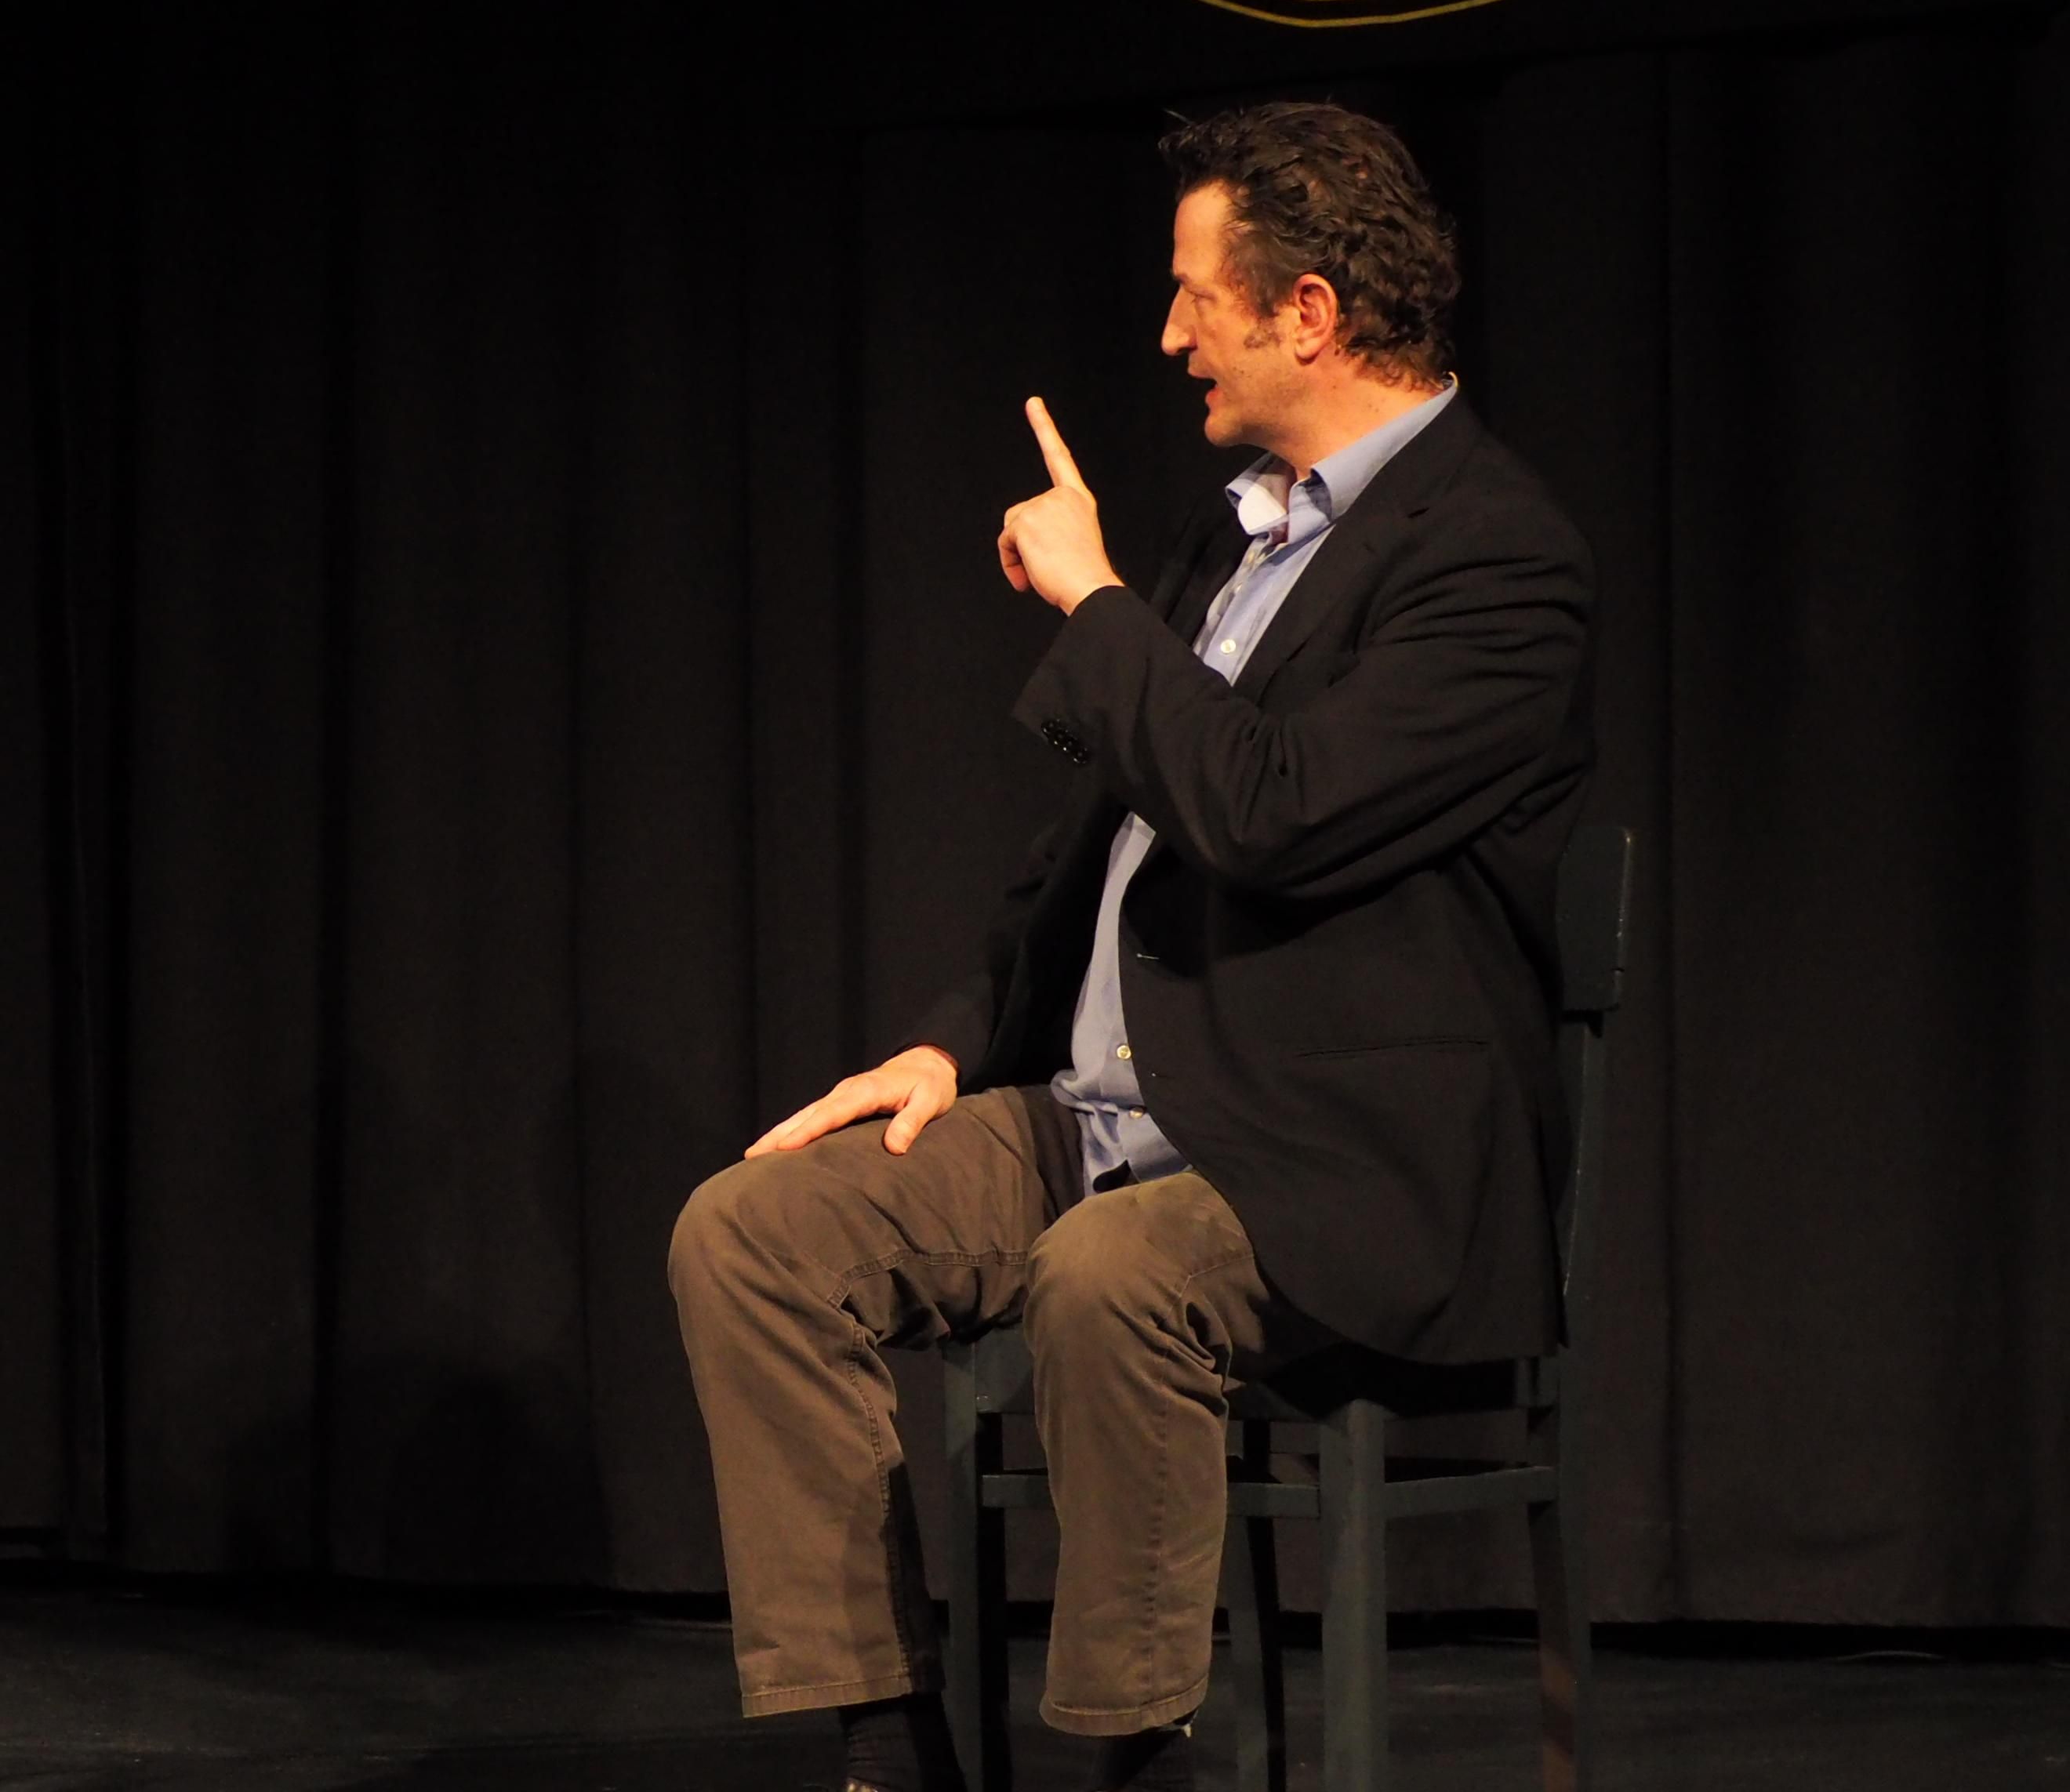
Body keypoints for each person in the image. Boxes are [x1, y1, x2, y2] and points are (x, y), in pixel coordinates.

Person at [669, 103, 1593, 1792]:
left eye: (1194, 295)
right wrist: (955, 1041)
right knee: (756, 1230)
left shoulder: (1495, 560)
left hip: (1338, 1162)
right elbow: (1094, 841)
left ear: (1307, 311)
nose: (1168, 335)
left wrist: (1097, 608)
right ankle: (886, 1745)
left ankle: (1129, 1759)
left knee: (1110, 1278)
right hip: (1111, 1117)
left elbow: (1274, 812)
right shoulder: (1232, 533)